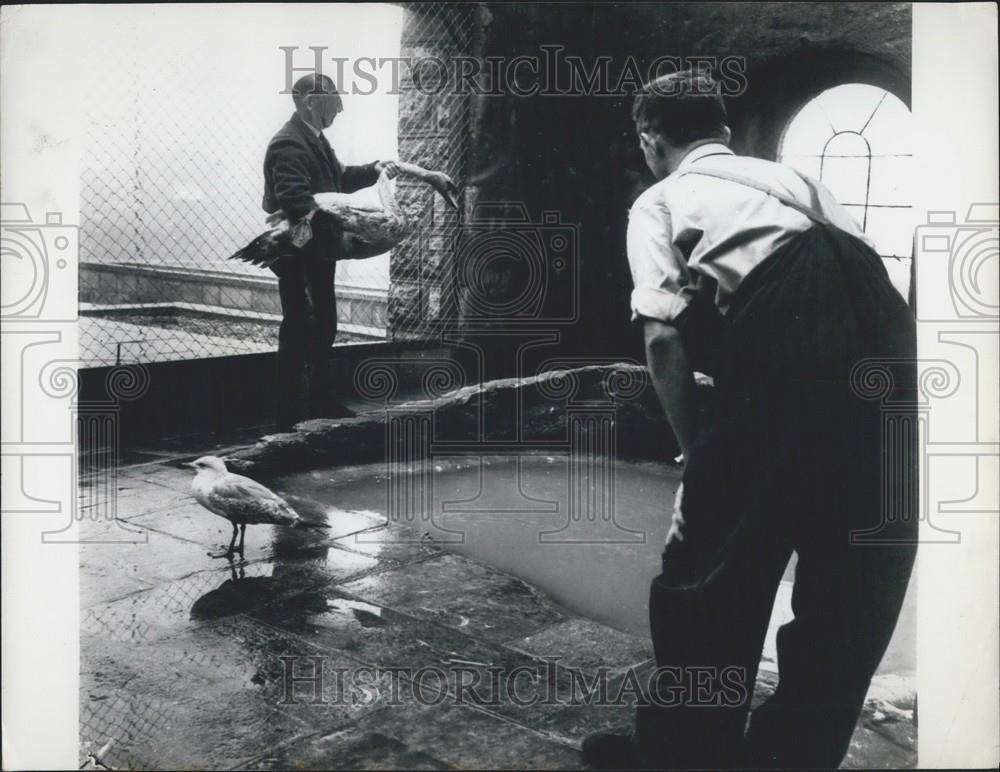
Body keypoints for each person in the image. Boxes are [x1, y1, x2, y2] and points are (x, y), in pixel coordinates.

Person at [582, 71, 917, 769]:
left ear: (650, 140)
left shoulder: (660, 199)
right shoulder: (800, 183)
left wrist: (695, 452)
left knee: (709, 569)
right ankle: (792, 756)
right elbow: (852, 273)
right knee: (855, 569)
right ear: (725, 134)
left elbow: (663, 337)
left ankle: (680, 753)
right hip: (887, 344)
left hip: (790, 340)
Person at [263, 72, 399, 431]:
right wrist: (345, 218)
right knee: (301, 326)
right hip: (296, 252)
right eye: (333, 98)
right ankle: (288, 416)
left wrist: (374, 171)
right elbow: (294, 200)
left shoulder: (316, 141)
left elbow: (338, 180)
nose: (340, 106)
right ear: (311, 101)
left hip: (318, 250)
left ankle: (319, 402)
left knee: (323, 323)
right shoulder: (289, 144)